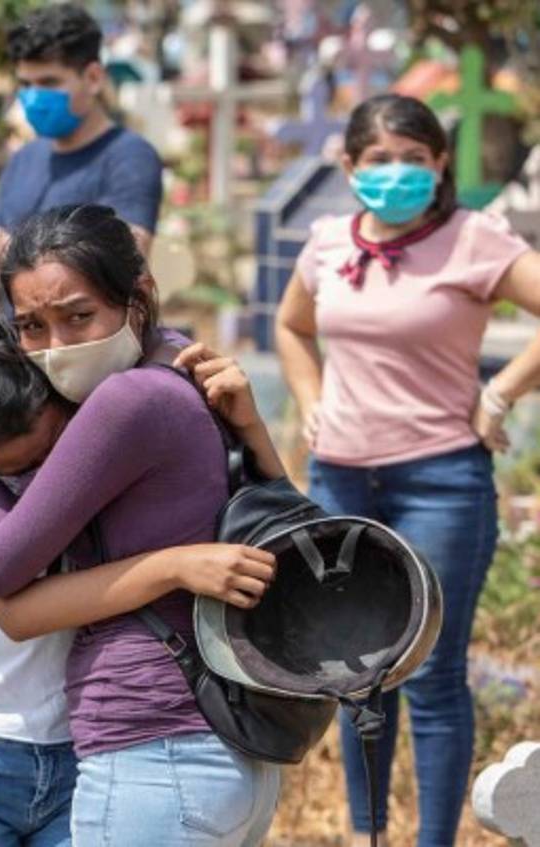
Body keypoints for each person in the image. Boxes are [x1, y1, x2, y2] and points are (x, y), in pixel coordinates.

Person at [0, 205, 284, 845]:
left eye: (79, 316)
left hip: (151, 748)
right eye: (32, 327)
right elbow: (275, 505)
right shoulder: (169, 372)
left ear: (138, 298)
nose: (60, 348)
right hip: (71, 740)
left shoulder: (121, 401)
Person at [275, 93, 540, 847]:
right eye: (380, 160)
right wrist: (309, 395)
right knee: (359, 671)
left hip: (442, 481)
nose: (397, 173)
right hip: (342, 481)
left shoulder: (472, 239)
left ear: (439, 165)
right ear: (349, 166)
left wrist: (500, 392)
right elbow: (291, 327)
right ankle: (367, 835)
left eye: (414, 159)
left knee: (432, 673)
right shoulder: (328, 241)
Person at [0, 3, 163, 300]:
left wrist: (9, 248)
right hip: (22, 344)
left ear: (93, 78)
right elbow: (11, 298)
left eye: (49, 82)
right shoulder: (23, 160)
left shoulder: (129, 156)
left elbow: (126, 262)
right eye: (25, 84)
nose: (34, 97)